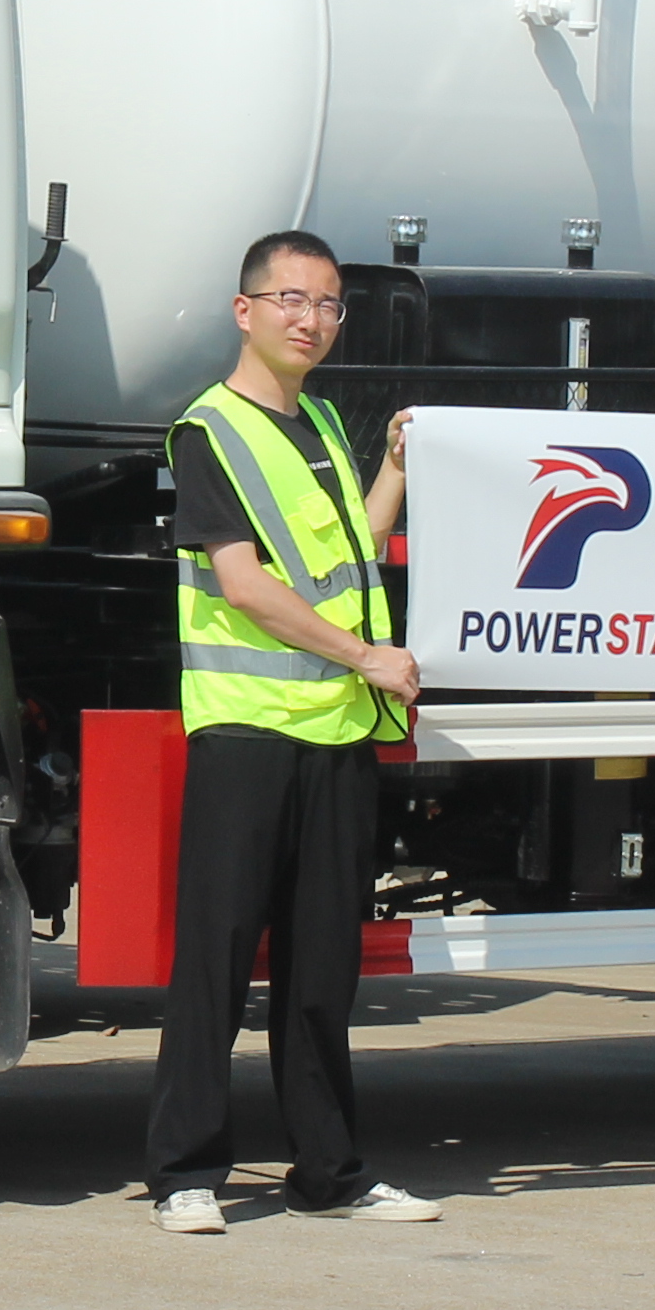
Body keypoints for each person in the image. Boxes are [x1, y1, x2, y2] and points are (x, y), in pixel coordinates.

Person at [141, 231, 444, 1234]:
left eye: (327, 305)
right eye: (291, 300)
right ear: (246, 311)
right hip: (249, 730)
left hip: (336, 733)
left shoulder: (315, 419)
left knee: (323, 972)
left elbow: (347, 548)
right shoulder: (208, 431)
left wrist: (393, 468)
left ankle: (332, 1170)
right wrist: (367, 659)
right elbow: (243, 583)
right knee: (217, 962)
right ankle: (186, 1173)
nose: (311, 319)